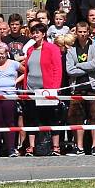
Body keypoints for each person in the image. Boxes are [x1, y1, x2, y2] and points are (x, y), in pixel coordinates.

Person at [22, 23, 63, 156]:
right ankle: (31, 147)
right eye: (33, 32)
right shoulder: (30, 50)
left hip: (47, 89)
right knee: (32, 119)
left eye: (37, 32)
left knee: (51, 118)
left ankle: (56, 146)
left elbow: (57, 69)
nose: (35, 35)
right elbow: (27, 70)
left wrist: (55, 89)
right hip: (31, 89)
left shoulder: (52, 48)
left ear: (43, 34)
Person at [65, 22, 95, 156]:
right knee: (77, 118)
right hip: (77, 88)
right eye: (80, 32)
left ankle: (94, 146)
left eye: (84, 32)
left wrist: (79, 65)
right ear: (76, 32)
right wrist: (86, 68)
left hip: (92, 86)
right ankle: (79, 147)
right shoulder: (71, 49)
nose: (82, 34)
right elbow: (70, 70)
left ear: (88, 32)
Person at [0, 42, 23, 157]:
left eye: (2, 53)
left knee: (10, 121)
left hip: (10, 95)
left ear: (7, 53)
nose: (0, 56)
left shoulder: (13, 64)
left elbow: (25, 71)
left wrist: (16, 81)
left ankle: (11, 148)